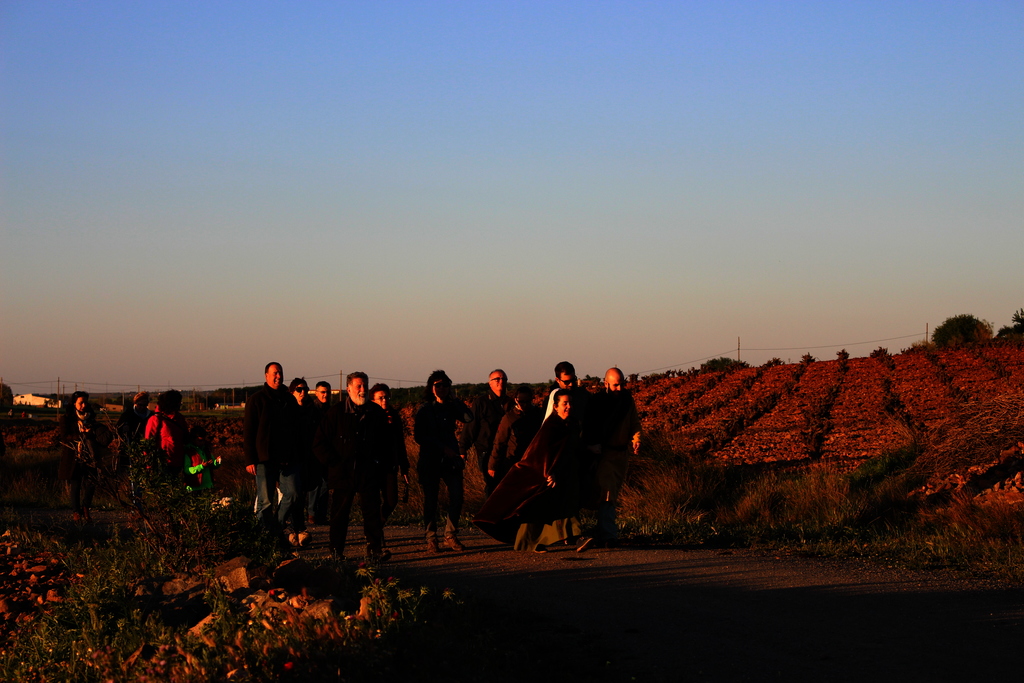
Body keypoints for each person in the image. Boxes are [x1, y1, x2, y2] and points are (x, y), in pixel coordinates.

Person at [474, 389, 582, 553]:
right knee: (535, 508)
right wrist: (549, 472)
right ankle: (531, 541)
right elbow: (540, 451)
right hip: (542, 474)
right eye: (565, 403)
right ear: (555, 406)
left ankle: (573, 536)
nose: (568, 407)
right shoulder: (550, 426)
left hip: (564, 474)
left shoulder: (571, 424)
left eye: (570, 403)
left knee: (564, 505)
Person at [314, 372, 389, 561]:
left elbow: (386, 443)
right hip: (342, 474)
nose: (363, 390)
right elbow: (319, 443)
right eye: (359, 386)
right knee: (339, 515)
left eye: (365, 385)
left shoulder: (375, 413)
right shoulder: (335, 413)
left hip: (368, 472)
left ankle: (375, 551)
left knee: (372, 514)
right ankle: (336, 552)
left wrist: (380, 464)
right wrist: (334, 463)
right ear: (349, 389)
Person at [578, 367, 641, 551]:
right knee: (607, 494)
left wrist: (637, 439)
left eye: (621, 384)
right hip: (604, 455)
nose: (619, 388)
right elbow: (588, 426)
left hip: (621, 456)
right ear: (606, 384)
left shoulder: (628, 401)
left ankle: (601, 532)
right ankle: (608, 535)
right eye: (615, 385)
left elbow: (634, 422)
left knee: (611, 493)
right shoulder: (597, 402)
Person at [413, 370, 474, 553]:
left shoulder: (451, 406)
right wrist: (441, 447)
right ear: (431, 388)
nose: (442, 388)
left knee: (457, 496)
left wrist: (455, 400)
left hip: (450, 461)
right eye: (438, 385)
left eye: (445, 385)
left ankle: (450, 534)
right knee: (431, 500)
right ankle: (431, 537)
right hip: (431, 460)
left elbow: (468, 418)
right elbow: (419, 436)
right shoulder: (424, 410)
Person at [243, 362, 296, 544]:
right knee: (265, 501)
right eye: (274, 373)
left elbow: (296, 429)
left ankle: (275, 526)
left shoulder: (288, 400)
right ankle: (264, 539)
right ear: (266, 376)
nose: (278, 376)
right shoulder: (256, 400)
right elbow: (249, 431)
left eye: (280, 373)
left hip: (286, 458)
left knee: (293, 493)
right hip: (264, 458)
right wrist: (250, 459)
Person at [459, 369, 512, 496]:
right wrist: (462, 449)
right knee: (492, 486)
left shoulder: (511, 403)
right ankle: (490, 514)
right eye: (497, 379)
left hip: (507, 451)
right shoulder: (481, 403)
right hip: (486, 451)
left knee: (506, 485)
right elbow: (470, 427)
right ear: (490, 383)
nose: (501, 381)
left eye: (504, 379)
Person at [369, 383, 410, 531]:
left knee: (392, 500)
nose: (384, 400)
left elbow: (400, 443)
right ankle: (373, 532)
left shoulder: (394, 418)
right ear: (373, 400)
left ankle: (378, 524)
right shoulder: (368, 417)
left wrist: (404, 466)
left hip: (390, 465)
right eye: (380, 398)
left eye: (386, 397)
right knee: (372, 501)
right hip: (372, 466)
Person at [488, 384, 543, 488]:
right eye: (522, 402)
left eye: (528, 401)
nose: (525, 405)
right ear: (516, 400)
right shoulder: (509, 418)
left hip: (534, 462)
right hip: (514, 462)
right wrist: (493, 465)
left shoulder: (538, 415)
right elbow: (499, 442)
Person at [58, 391, 98, 522]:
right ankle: (76, 512)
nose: (84, 405)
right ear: (74, 403)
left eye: (85, 402)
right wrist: (82, 436)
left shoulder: (91, 417)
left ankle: (86, 507)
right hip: (74, 455)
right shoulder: (67, 419)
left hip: (90, 455)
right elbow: (64, 437)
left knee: (92, 483)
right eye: (81, 402)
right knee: (76, 484)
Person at [282, 377, 312, 546]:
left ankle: (297, 529)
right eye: (299, 390)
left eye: (305, 390)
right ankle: (283, 527)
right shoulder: (286, 411)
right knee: (292, 495)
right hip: (289, 460)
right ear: (292, 392)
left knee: (300, 496)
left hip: (305, 458)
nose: (303, 393)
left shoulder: (310, 410)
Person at [144, 390, 190, 476]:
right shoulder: (156, 419)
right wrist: (149, 464)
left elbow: (185, 437)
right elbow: (148, 443)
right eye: (178, 402)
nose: (180, 404)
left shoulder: (180, 418)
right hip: (162, 463)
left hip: (179, 462)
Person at [305, 381, 332, 526]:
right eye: (322, 392)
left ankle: (321, 514)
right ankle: (312, 513)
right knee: (316, 484)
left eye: (327, 392)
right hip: (314, 452)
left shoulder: (331, 410)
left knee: (326, 484)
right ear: (316, 393)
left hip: (327, 451)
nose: (325, 395)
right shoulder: (312, 410)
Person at [544, 361, 591, 426]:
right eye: (566, 382)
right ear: (557, 380)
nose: (571, 384)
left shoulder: (584, 395)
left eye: (573, 380)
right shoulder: (551, 399)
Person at [184, 424, 221, 493]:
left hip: (208, 486)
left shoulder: (206, 450)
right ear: (193, 439)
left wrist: (217, 462)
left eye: (203, 440)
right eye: (200, 440)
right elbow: (187, 470)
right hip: (194, 488)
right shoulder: (188, 451)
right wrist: (201, 467)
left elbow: (213, 464)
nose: (202, 442)